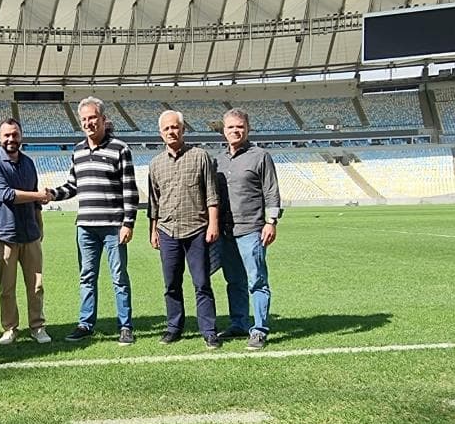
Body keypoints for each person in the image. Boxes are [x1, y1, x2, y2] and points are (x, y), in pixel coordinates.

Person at [47, 96, 139, 346]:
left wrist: (128, 223)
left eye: (93, 118)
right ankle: (85, 324)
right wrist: (52, 194)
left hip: (113, 226)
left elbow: (130, 190)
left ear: (103, 119)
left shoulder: (120, 148)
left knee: (119, 277)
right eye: (84, 119)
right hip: (85, 227)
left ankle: (125, 326)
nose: (88, 123)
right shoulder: (77, 151)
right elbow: (72, 186)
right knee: (87, 277)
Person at [148, 110, 222, 349]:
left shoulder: (200, 157)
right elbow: (154, 202)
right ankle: (174, 327)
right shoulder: (155, 164)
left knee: (202, 283)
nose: (171, 131)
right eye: (166, 128)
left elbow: (211, 194)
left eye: (175, 127)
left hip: (197, 229)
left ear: (183, 129)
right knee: (171, 284)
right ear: (160, 133)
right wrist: (153, 230)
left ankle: (209, 330)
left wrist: (213, 224)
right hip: (167, 230)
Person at [215, 108, 282, 351]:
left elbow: (271, 191)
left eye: (240, 126)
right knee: (234, 281)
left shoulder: (260, 156)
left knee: (257, 280)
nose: (236, 130)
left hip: (252, 229)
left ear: (248, 129)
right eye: (231, 127)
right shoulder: (218, 160)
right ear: (224, 130)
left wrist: (271, 221)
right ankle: (239, 323)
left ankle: (260, 329)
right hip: (226, 232)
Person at [0, 118, 52, 345]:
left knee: (36, 286)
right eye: (7, 135)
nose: (11, 139)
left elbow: (35, 199)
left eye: (15, 134)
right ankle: (10, 328)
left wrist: (39, 223)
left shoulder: (29, 163)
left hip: (30, 235)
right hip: (4, 236)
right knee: (7, 288)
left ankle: (37, 326)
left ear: (21, 136)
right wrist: (39, 195)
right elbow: (7, 195)